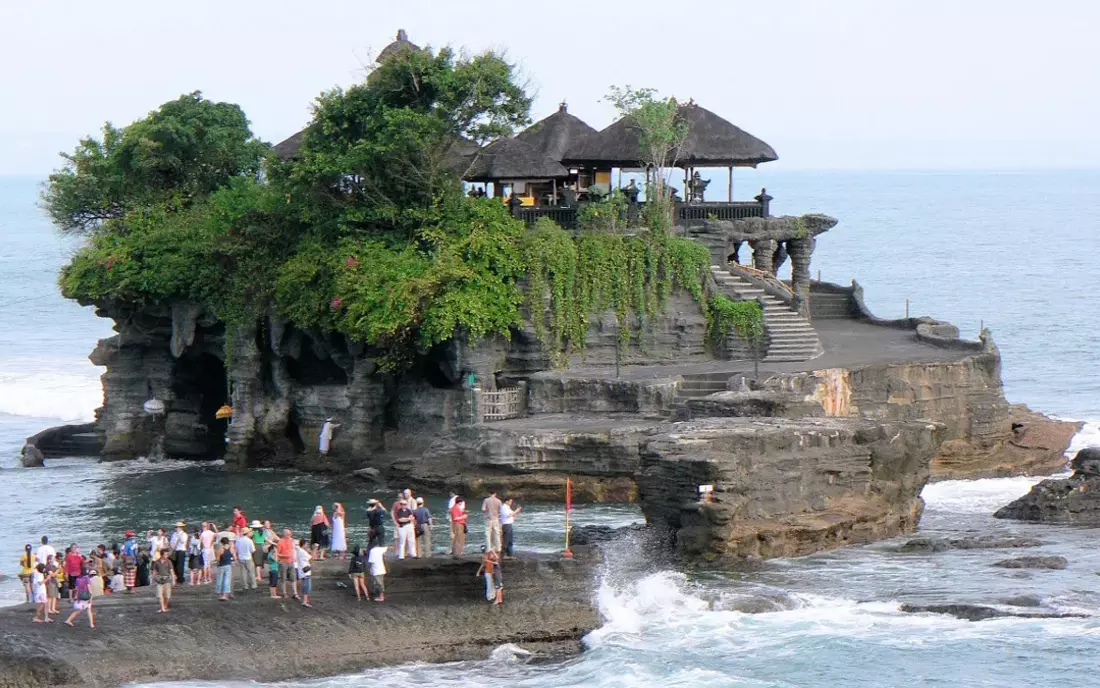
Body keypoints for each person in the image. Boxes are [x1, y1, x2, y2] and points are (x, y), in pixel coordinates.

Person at [276, 528, 297, 600]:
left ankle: (295, 593)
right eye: (287, 534)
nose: (289, 535)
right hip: (283, 562)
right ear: (284, 534)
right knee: (283, 578)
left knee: (293, 578)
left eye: (290, 534)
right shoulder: (280, 542)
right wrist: (285, 556)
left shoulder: (292, 540)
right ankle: (284, 593)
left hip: (291, 561)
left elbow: (294, 549)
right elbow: (277, 554)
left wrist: (294, 557)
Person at [215, 537, 234, 601]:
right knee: (227, 580)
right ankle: (225, 595)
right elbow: (233, 557)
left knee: (220, 580)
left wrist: (217, 562)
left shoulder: (221, 549)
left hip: (221, 565)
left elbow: (217, 559)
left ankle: (220, 595)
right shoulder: (230, 548)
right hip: (228, 565)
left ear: (222, 542)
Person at [295, 539, 313, 608]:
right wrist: (314, 548)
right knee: (307, 587)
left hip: (303, 571)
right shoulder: (302, 552)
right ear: (303, 544)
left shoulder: (299, 550)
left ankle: (305, 600)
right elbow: (312, 558)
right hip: (305, 572)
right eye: (306, 544)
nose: (307, 545)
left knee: (305, 586)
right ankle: (305, 602)